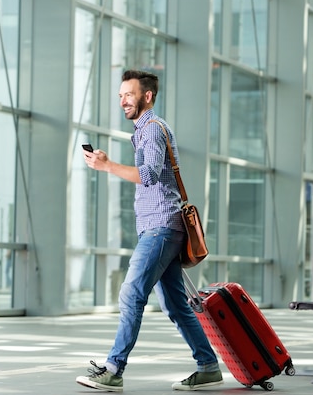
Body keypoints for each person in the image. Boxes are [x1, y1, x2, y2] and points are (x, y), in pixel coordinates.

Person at [75, 70, 223, 392]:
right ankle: (209, 366)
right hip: (157, 228)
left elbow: (151, 176)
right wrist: (108, 163)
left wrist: (107, 165)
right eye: (120, 96)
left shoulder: (153, 130)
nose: (122, 100)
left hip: (162, 227)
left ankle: (114, 369)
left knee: (131, 293)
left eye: (128, 94)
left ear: (147, 96)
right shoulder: (143, 131)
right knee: (175, 305)